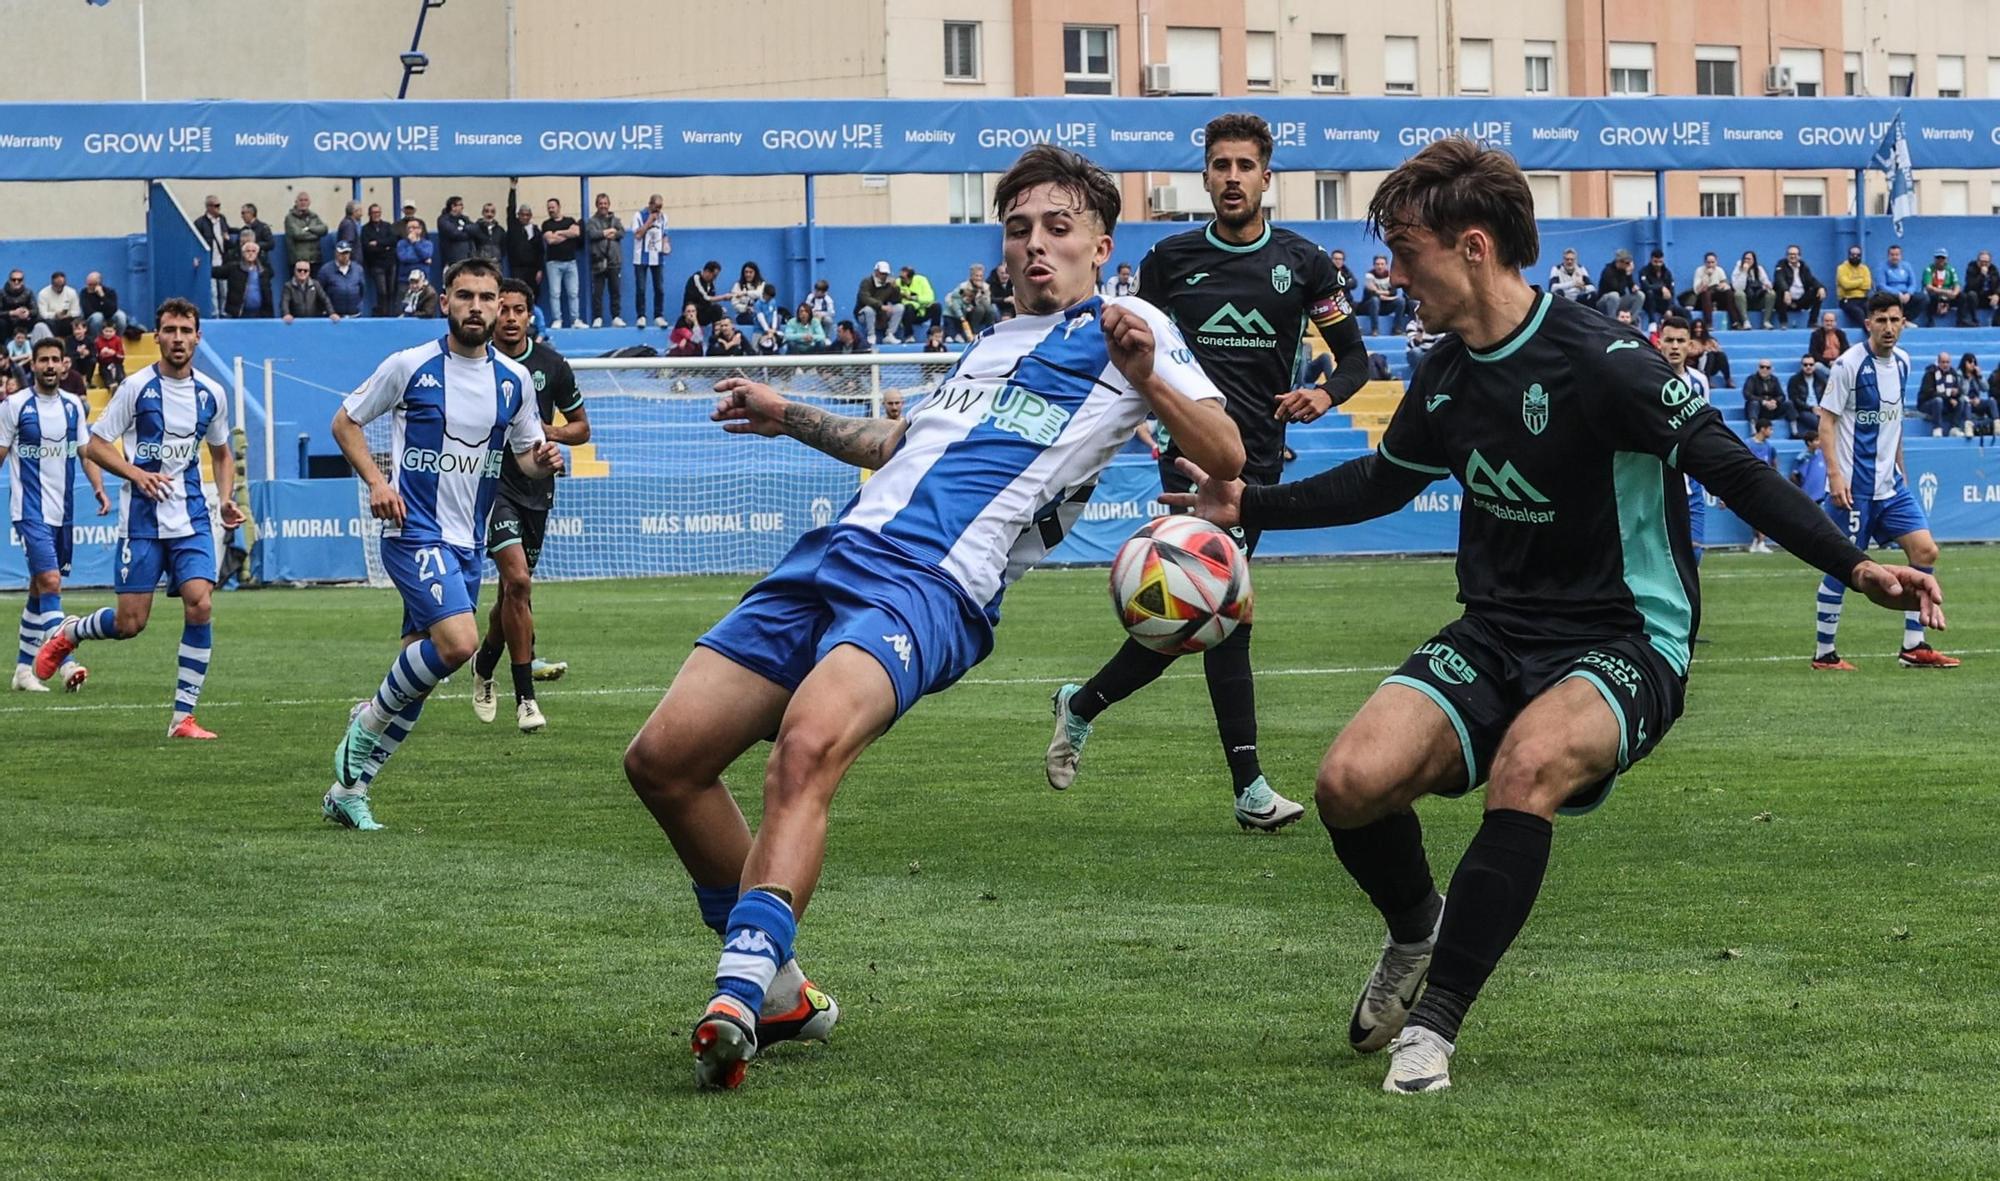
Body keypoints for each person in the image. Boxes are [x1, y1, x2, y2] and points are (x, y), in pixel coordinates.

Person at [1158, 137, 1942, 1096]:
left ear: (1474, 247)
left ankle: (1435, 1027)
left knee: (1527, 766)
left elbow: (1728, 464)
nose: (1393, 276)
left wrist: (1855, 563)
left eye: (1408, 255)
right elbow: (1382, 480)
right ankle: (1417, 932)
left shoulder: (1608, 361)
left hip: (1627, 636)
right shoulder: (1444, 374)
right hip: (1496, 630)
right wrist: (1251, 504)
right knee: (1346, 784)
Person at [620, 141, 1245, 1092]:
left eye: (1057, 229)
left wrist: (1149, 375)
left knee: (806, 744)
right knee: (664, 760)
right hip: (832, 554)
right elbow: (895, 442)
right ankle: (779, 985)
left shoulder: (1130, 329)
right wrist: (789, 412)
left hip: (934, 587)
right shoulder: (986, 346)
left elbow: (1227, 451)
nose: (1035, 245)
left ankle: (739, 988)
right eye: (1019, 229)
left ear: (1100, 244)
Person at [1047, 112, 1369, 828]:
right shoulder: (1169, 260)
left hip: (1260, 467)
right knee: (1226, 612)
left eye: (1244, 166)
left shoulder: (1305, 263)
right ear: (1205, 177)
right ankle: (1250, 789)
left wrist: (1322, 392)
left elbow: (1356, 360)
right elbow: (1135, 357)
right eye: (1220, 166)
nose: (1231, 178)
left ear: (1266, 178)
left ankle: (1083, 702)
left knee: (1205, 614)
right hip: (1192, 463)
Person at [324, 258, 564, 831]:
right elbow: (345, 422)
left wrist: (545, 458)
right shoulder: (410, 366)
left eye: (487, 298)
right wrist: (379, 483)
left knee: (422, 683)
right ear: (445, 303)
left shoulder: (514, 381)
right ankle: (366, 721)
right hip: (413, 531)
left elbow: (527, 457)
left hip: (466, 543)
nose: (477, 307)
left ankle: (347, 792)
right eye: (466, 296)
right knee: (458, 646)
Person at [34, 299, 247, 738]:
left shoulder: (212, 393)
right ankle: (70, 632)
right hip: (142, 521)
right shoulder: (136, 388)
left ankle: (182, 717)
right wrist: (136, 474)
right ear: (157, 337)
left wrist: (225, 498)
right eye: (169, 330)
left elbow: (222, 453)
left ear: (197, 336)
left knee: (201, 603)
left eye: (186, 330)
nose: (178, 338)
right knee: (130, 623)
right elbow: (96, 444)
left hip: (191, 517)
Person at [1810, 291, 1957, 671]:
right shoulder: (1848, 365)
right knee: (1843, 567)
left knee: (1925, 552)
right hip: (1854, 490)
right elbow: (1825, 423)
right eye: (1882, 320)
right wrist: (1835, 475)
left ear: (1903, 322)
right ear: (1868, 323)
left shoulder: (1905, 363)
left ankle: (1914, 646)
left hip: (1891, 486)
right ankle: (1825, 654)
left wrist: (1901, 470)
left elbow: (1895, 427)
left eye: (1895, 320)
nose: (1889, 327)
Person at [468, 278, 591, 729]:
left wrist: (548, 433)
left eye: (519, 309)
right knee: (518, 580)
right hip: (492, 486)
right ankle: (526, 700)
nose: (511, 317)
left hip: (537, 489)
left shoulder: (551, 365)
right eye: (504, 309)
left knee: (510, 594)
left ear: (530, 315)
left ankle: (484, 664)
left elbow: (581, 428)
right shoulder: (476, 362)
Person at [4, 337, 110, 692]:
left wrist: (98, 487)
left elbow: (86, 452)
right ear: (32, 365)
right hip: (29, 510)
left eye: (55, 360)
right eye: (43, 360)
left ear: (65, 365)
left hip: (62, 513)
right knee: (51, 583)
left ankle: (22, 671)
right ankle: (66, 663)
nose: (50, 365)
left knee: (39, 588)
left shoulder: (72, 407)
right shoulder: (14, 406)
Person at [1658, 316, 1713, 564]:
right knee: (1663, 559)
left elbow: (1706, 430)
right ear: (1659, 343)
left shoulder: (1699, 382)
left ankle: (1692, 604)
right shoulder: (1645, 377)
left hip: (1692, 485)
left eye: (1681, 340)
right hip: (1659, 486)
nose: (1675, 346)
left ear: (1690, 344)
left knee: (1694, 555)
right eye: (1669, 340)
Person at [541, 199, 584, 328]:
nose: (550, 210)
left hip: (570, 262)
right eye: (549, 207)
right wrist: (567, 234)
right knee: (555, 293)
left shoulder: (570, 220)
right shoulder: (546, 224)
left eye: (553, 207)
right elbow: (550, 240)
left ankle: (575, 320)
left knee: (573, 293)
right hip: (553, 263)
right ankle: (557, 320)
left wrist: (559, 232)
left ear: (559, 207)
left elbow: (576, 232)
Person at [587, 192, 626, 327]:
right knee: (597, 292)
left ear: (609, 205)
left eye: (605, 203)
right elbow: (592, 234)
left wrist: (613, 233)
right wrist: (606, 232)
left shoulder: (616, 220)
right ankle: (597, 317)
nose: (603, 206)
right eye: (600, 204)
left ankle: (616, 317)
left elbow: (622, 232)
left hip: (614, 261)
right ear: (596, 205)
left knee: (615, 291)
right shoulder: (592, 221)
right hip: (598, 262)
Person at [632, 193, 671, 327]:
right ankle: (641, 315)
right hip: (641, 258)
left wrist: (666, 245)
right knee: (641, 288)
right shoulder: (638, 216)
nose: (658, 211)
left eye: (660, 207)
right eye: (656, 207)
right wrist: (649, 222)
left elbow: (665, 234)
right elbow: (637, 235)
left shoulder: (664, 217)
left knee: (659, 288)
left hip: (657, 257)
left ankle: (658, 315)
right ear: (650, 205)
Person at [195, 197, 236, 315]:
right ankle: (215, 314)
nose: (219, 208)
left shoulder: (222, 219)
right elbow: (197, 241)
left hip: (223, 260)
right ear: (209, 207)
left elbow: (227, 232)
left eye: (219, 205)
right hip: (210, 261)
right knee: (213, 292)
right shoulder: (200, 223)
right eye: (216, 206)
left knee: (224, 290)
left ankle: (224, 312)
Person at [1744, 420, 1778, 552]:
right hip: (1750, 483)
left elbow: (1774, 463)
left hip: (1765, 484)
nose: (1772, 432)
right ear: (1762, 429)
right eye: (1770, 429)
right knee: (1753, 513)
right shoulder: (1748, 444)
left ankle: (1761, 542)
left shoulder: (1769, 447)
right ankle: (1757, 540)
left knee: (1764, 513)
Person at [1772, 245, 1824, 330]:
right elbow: (1779, 279)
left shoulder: (1803, 266)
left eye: (1795, 254)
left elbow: (1811, 279)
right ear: (1786, 255)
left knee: (1818, 293)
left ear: (1799, 256)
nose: (1792, 256)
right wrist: (1786, 291)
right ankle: (1783, 323)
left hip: (1801, 300)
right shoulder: (1781, 265)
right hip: (1786, 301)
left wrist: (1820, 287)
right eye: (1790, 254)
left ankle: (1812, 322)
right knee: (1779, 292)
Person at [361, 204, 400, 317]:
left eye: (378, 212)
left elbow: (393, 240)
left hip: (390, 262)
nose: (376, 215)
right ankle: (383, 313)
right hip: (376, 264)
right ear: (369, 214)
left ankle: (391, 314)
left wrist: (377, 243)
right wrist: (385, 246)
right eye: (374, 212)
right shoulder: (366, 229)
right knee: (382, 291)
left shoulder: (387, 226)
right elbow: (367, 248)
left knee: (391, 290)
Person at [1917, 350, 1966, 436]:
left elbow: (1960, 390)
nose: (1945, 365)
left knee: (1961, 400)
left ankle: (1954, 428)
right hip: (1927, 404)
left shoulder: (1953, 373)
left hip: (1945, 404)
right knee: (1938, 400)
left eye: (1947, 362)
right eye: (1943, 362)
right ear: (1938, 362)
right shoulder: (1930, 373)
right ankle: (1937, 428)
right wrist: (1948, 398)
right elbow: (1929, 393)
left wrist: (1957, 392)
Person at [854, 261, 905, 344]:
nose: (884, 276)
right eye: (882, 273)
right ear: (876, 272)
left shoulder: (889, 284)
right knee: (869, 309)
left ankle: (889, 334)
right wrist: (880, 306)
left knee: (899, 307)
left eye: (886, 274)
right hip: (863, 314)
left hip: (881, 314)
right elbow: (864, 297)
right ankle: (871, 335)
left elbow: (896, 300)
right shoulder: (866, 282)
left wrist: (896, 288)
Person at [944, 264, 998, 340]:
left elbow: (987, 302)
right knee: (980, 309)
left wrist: (980, 292)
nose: (979, 278)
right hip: (966, 311)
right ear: (971, 276)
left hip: (982, 312)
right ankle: (973, 332)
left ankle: (991, 333)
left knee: (991, 310)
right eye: (976, 276)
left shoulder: (986, 287)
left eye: (980, 276)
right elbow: (951, 298)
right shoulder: (963, 286)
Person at [505, 203, 544, 306]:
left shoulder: (535, 230)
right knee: (518, 293)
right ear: (519, 215)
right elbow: (510, 209)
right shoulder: (514, 227)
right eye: (522, 215)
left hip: (533, 269)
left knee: (533, 294)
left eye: (527, 215)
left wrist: (540, 269)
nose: (525, 217)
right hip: (517, 268)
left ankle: (532, 317)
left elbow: (540, 251)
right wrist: (512, 189)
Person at [224, 240, 273, 320]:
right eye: (248, 251)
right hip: (239, 314)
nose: (251, 253)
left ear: (257, 254)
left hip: (260, 314)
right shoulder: (233, 268)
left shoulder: (264, 271)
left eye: (253, 251)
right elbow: (214, 271)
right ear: (243, 253)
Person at [318, 241, 366, 318]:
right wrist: (328, 311)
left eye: (347, 253)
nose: (345, 256)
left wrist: (358, 306)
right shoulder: (325, 270)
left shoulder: (358, 269)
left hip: (354, 315)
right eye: (342, 253)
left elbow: (362, 290)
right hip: (334, 318)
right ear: (336, 253)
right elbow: (320, 293)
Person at [1360, 255, 1407, 334]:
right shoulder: (1369, 275)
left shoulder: (1390, 275)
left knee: (1401, 301)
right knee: (1375, 300)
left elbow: (1393, 292)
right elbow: (1370, 293)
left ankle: (1397, 329)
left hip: (1385, 306)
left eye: (1382, 264)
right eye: (1377, 264)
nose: (1380, 266)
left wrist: (1377, 291)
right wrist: (1384, 294)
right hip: (1370, 306)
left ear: (1386, 265)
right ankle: (1375, 329)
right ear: (1374, 265)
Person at [284, 193, 329, 274]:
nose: (303, 202)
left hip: (315, 260)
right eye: (301, 200)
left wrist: (309, 229)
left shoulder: (314, 216)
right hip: (298, 262)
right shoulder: (290, 218)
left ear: (309, 202)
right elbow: (298, 234)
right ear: (296, 202)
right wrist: (316, 235)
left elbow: (324, 229)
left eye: (305, 200)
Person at [1593, 249, 1642, 320]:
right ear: (1619, 262)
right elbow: (1618, 289)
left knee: (1640, 295)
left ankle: (1630, 320)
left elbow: (1630, 286)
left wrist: (1634, 287)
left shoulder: (1625, 271)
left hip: (1619, 300)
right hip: (1604, 302)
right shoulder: (1608, 271)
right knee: (1614, 295)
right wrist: (1627, 274)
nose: (1629, 265)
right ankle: (1613, 322)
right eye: (1627, 263)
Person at [1688, 251, 1732, 328]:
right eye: (1708, 262)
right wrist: (1707, 276)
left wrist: (1723, 286)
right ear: (1705, 263)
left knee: (1729, 293)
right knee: (1706, 293)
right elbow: (1697, 290)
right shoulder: (1699, 271)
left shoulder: (1719, 270)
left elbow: (1725, 283)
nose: (1710, 265)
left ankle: (1736, 322)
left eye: (1713, 262)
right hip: (1702, 298)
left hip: (1717, 295)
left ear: (1716, 262)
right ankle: (1708, 324)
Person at [1787, 352, 1828, 433]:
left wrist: (1822, 408)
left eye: (1811, 364)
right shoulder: (1794, 380)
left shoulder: (1821, 379)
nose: (1808, 367)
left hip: (1821, 408)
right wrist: (1811, 408)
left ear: (1814, 366)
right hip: (1804, 410)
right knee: (1819, 423)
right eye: (1805, 365)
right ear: (1801, 366)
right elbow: (1794, 399)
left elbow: (1827, 395)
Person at [1732, 250, 1774, 330]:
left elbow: (1767, 282)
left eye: (1749, 259)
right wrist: (1744, 272)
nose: (1747, 261)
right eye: (1745, 259)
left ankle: (1766, 321)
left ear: (1754, 261)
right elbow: (1738, 288)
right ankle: (1745, 321)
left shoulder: (1759, 269)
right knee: (1739, 294)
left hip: (1758, 299)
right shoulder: (1738, 270)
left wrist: (1767, 286)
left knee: (1771, 293)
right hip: (1744, 302)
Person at [1875, 245, 1919, 320]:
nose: (1895, 257)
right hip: (1890, 295)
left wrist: (1909, 293)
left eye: (1897, 255)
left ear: (1901, 256)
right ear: (1888, 256)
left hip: (1906, 294)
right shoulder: (1882, 267)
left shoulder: (1907, 266)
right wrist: (1897, 293)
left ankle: (1906, 320)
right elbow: (1881, 285)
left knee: (1923, 298)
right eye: (1892, 255)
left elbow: (1913, 283)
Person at [80, 272, 127, 338]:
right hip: (93, 321)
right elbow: (87, 312)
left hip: (109, 317)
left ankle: (117, 340)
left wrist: (102, 296)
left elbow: (113, 309)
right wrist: (103, 310)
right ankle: (98, 341)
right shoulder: (84, 293)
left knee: (121, 316)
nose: (89, 287)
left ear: (99, 284)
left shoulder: (110, 292)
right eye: (88, 284)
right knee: (98, 316)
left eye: (91, 285)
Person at [683, 260, 729, 328]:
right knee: (692, 308)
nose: (715, 278)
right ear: (707, 271)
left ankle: (716, 334)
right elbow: (706, 298)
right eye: (714, 275)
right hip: (692, 313)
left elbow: (710, 301)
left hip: (703, 312)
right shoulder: (696, 278)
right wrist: (724, 297)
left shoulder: (711, 283)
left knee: (718, 309)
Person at [1920, 250, 1960, 328]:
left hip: (1948, 296)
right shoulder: (1929, 270)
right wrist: (1946, 292)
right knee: (1930, 297)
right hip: (1935, 295)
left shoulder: (1951, 270)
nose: (1940, 260)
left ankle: (1963, 321)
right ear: (1935, 259)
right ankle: (1930, 320)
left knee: (1963, 296)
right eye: (1938, 258)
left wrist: (1954, 293)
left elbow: (1957, 284)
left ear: (1946, 259)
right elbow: (1929, 287)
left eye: (1943, 258)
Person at [897, 266, 940, 337]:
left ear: (911, 278)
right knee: (909, 307)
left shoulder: (922, 280)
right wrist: (914, 303)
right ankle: (909, 336)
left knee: (937, 306)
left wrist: (913, 298)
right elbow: (898, 300)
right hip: (909, 314)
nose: (900, 279)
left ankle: (933, 334)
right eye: (900, 277)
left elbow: (930, 298)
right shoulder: (897, 282)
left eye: (903, 278)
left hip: (922, 312)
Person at [1960, 250, 2000, 326]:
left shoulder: (1993, 269)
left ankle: (1997, 321)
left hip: (1988, 298)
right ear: (1977, 261)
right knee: (1971, 294)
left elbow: (1998, 284)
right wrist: (1982, 275)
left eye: (1986, 262)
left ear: (1990, 262)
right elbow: (1970, 285)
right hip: (1976, 298)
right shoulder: (1971, 267)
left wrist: (1997, 294)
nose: (1984, 264)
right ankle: (1973, 320)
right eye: (1981, 261)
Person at [1835, 245, 1872, 326]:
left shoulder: (1864, 268)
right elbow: (1846, 285)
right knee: (1859, 313)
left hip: (1863, 299)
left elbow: (1867, 285)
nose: (1855, 257)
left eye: (1858, 255)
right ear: (1848, 255)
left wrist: (1853, 283)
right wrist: (1860, 281)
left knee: (1873, 311)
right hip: (1847, 299)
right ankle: (1870, 334)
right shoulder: (1841, 268)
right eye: (1853, 254)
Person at [37, 272, 81, 340]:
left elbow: (77, 311)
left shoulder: (71, 292)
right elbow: (42, 314)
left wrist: (68, 315)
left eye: (62, 286)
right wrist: (55, 315)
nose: (59, 288)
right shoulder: (43, 293)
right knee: (47, 322)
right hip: (52, 320)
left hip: (67, 319)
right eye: (57, 286)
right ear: (52, 283)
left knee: (72, 322)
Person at [1742, 359, 1784, 429]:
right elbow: (1747, 394)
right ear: (1758, 368)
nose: (1764, 369)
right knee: (1754, 403)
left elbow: (1781, 395)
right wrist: (1763, 402)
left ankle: (1794, 431)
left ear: (1771, 369)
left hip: (1772, 409)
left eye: (1768, 368)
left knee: (1789, 404)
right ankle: (1753, 429)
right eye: (1762, 367)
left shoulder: (1774, 379)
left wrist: (1775, 401)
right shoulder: (1752, 379)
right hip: (1759, 408)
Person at [1689, 318, 1731, 388]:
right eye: (1696, 328)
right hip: (1696, 366)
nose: (1698, 330)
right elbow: (1688, 353)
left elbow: (1719, 350)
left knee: (1721, 355)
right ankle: (1707, 381)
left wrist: (1714, 349)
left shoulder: (1710, 340)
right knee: (1709, 354)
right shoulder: (1689, 341)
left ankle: (1728, 379)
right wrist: (1702, 350)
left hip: (1711, 366)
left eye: (1700, 327)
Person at [436, 197, 475, 269]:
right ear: (453, 207)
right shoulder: (443, 220)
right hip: (452, 259)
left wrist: (465, 231)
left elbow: (474, 229)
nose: (462, 207)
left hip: (468, 257)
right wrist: (468, 233)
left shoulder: (464, 219)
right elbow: (455, 234)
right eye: (460, 205)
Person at [396, 220, 435, 287]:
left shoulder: (427, 244)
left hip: (423, 280)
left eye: (414, 227)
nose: (411, 230)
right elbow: (404, 258)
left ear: (420, 230)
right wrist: (422, 260)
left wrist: (415, 243)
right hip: (405, 280)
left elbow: (426, 255)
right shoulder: (401, 243)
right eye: (409, 228)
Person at [92, 323, 126, 388]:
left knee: (121, 377)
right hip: (104, 364)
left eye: (111, 331)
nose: (108, 333)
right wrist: (101, 355)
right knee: (107, 377)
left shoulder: (118, 340)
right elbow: (95, 356)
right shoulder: (98, 340)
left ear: (115, 332)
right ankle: (112, 386)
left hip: (116, 363)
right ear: (102, 331)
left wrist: (114, 353)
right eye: (106, 331)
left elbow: (122, 356)